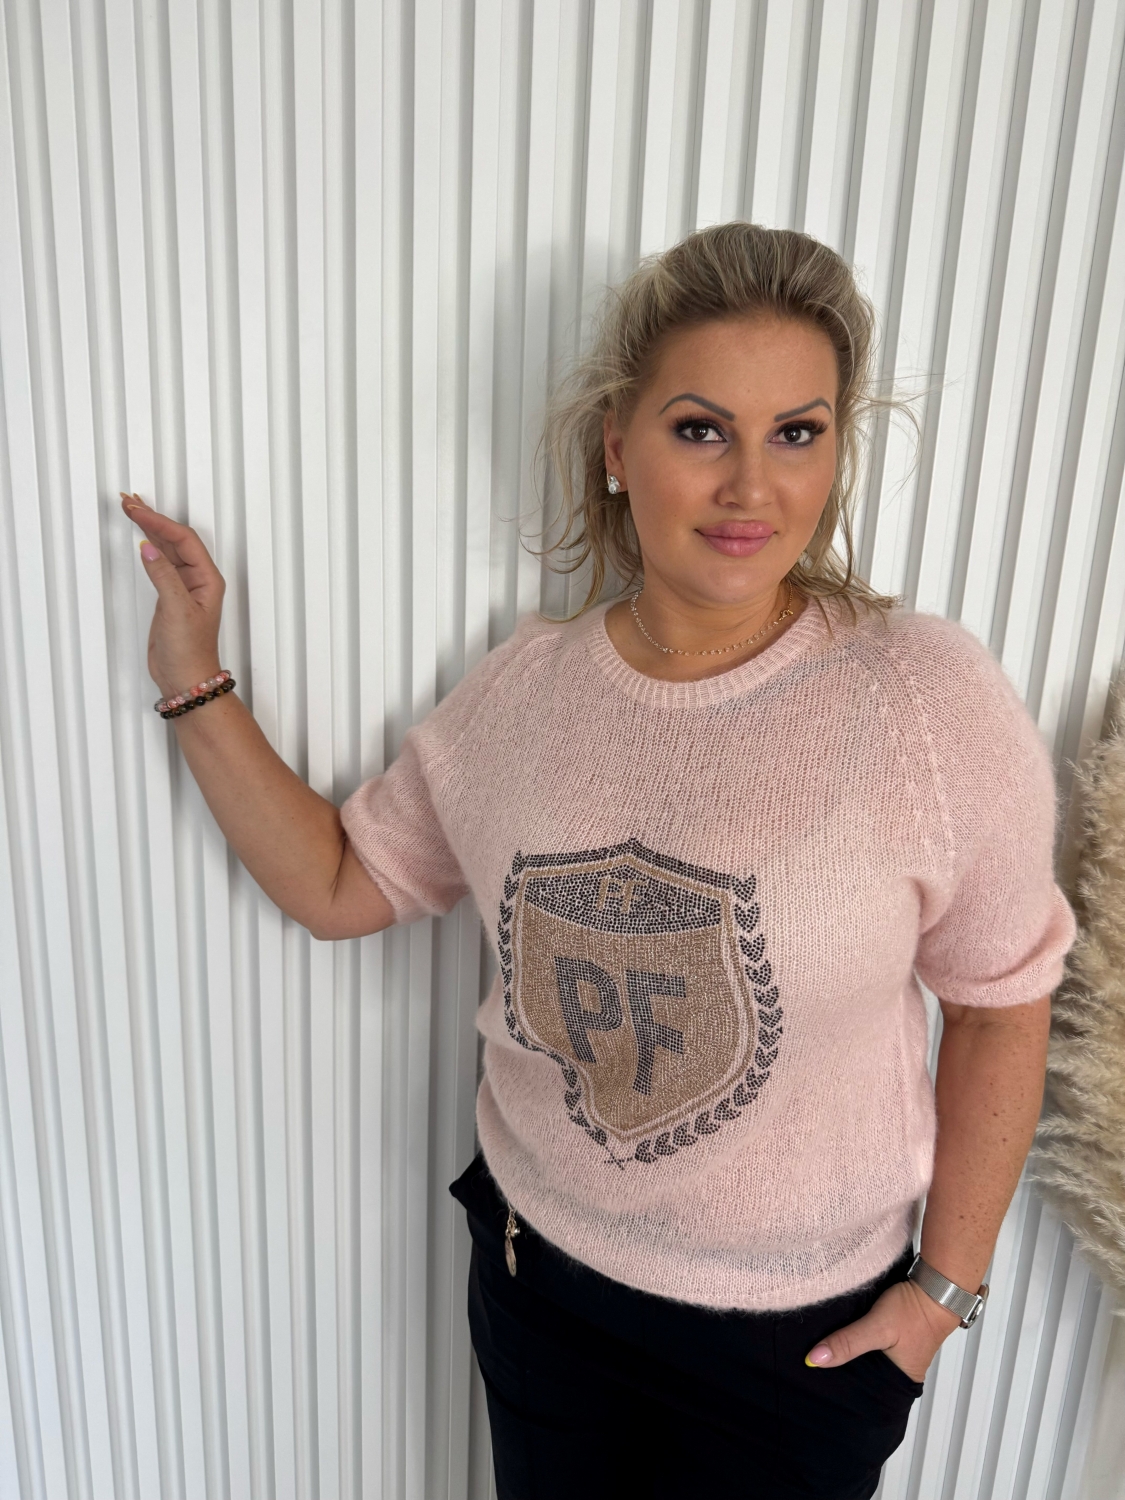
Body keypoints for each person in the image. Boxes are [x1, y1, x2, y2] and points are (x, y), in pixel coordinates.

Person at [123, 222, 1077, 1499]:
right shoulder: (525, 693)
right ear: (616, 447)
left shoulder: (921, 700)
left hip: (795, 1349)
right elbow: (340, 885)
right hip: (542, 1291)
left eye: (798, 432)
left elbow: (1004, 1002)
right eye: (702, 430)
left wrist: (943, 1296)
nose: (752, 486)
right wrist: (194, 677)